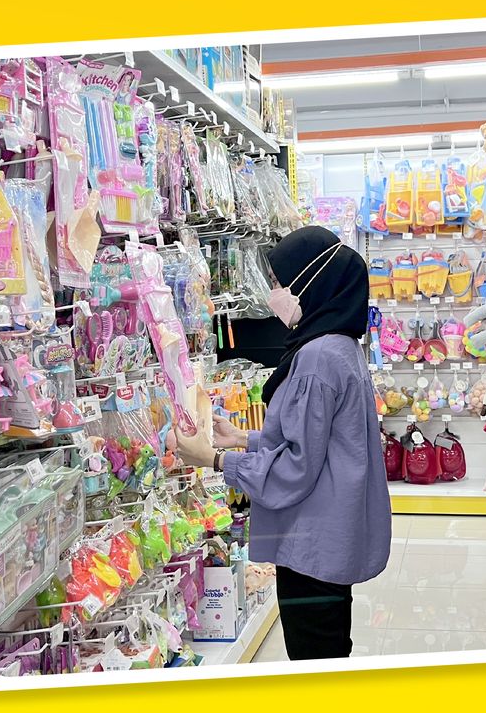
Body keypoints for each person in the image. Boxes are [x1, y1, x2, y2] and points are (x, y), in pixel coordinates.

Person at [176, 225, 391, 660]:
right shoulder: (341, 346)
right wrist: (245, 437)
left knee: (314, 658)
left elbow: (296, 467)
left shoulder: (316, 358)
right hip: (333, 534)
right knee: (330, 646)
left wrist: (216, 459)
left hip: (312, 543)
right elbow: (321, 443)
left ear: (309, 284)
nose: (274, 293)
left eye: (279, 283)